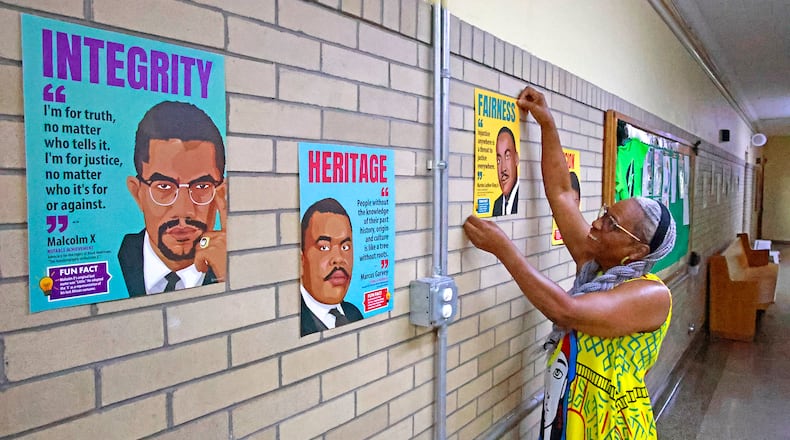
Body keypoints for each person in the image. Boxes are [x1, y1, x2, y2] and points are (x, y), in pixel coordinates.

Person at [464, 86, 676, 440]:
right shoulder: (596, 261)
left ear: (637, 250)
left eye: (611, 224)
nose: (596, 223)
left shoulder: (652, 296)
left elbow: (565, 310)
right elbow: (562, 194)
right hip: (569, 408)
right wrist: (546, 123)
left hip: (612, 425)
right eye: (605, 213)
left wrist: (504, 249)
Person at [119, 101, 227, 297]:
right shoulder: (115, 262)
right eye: (164, 187)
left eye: (202, 187)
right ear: (137, 193)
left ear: (222, 194)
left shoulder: (229, 266)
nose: (184, 209)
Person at [300, 197, 363, 336]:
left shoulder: (353, 313)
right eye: (324, 247)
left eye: (345, 247)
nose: (338, 259)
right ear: (301, 260)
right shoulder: (295, 320)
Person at [492, 126, 520, 216]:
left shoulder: (523, 198)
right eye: (498, 160)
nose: (503, 168)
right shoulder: (497, 205)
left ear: (516, 159)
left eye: (507, 156)